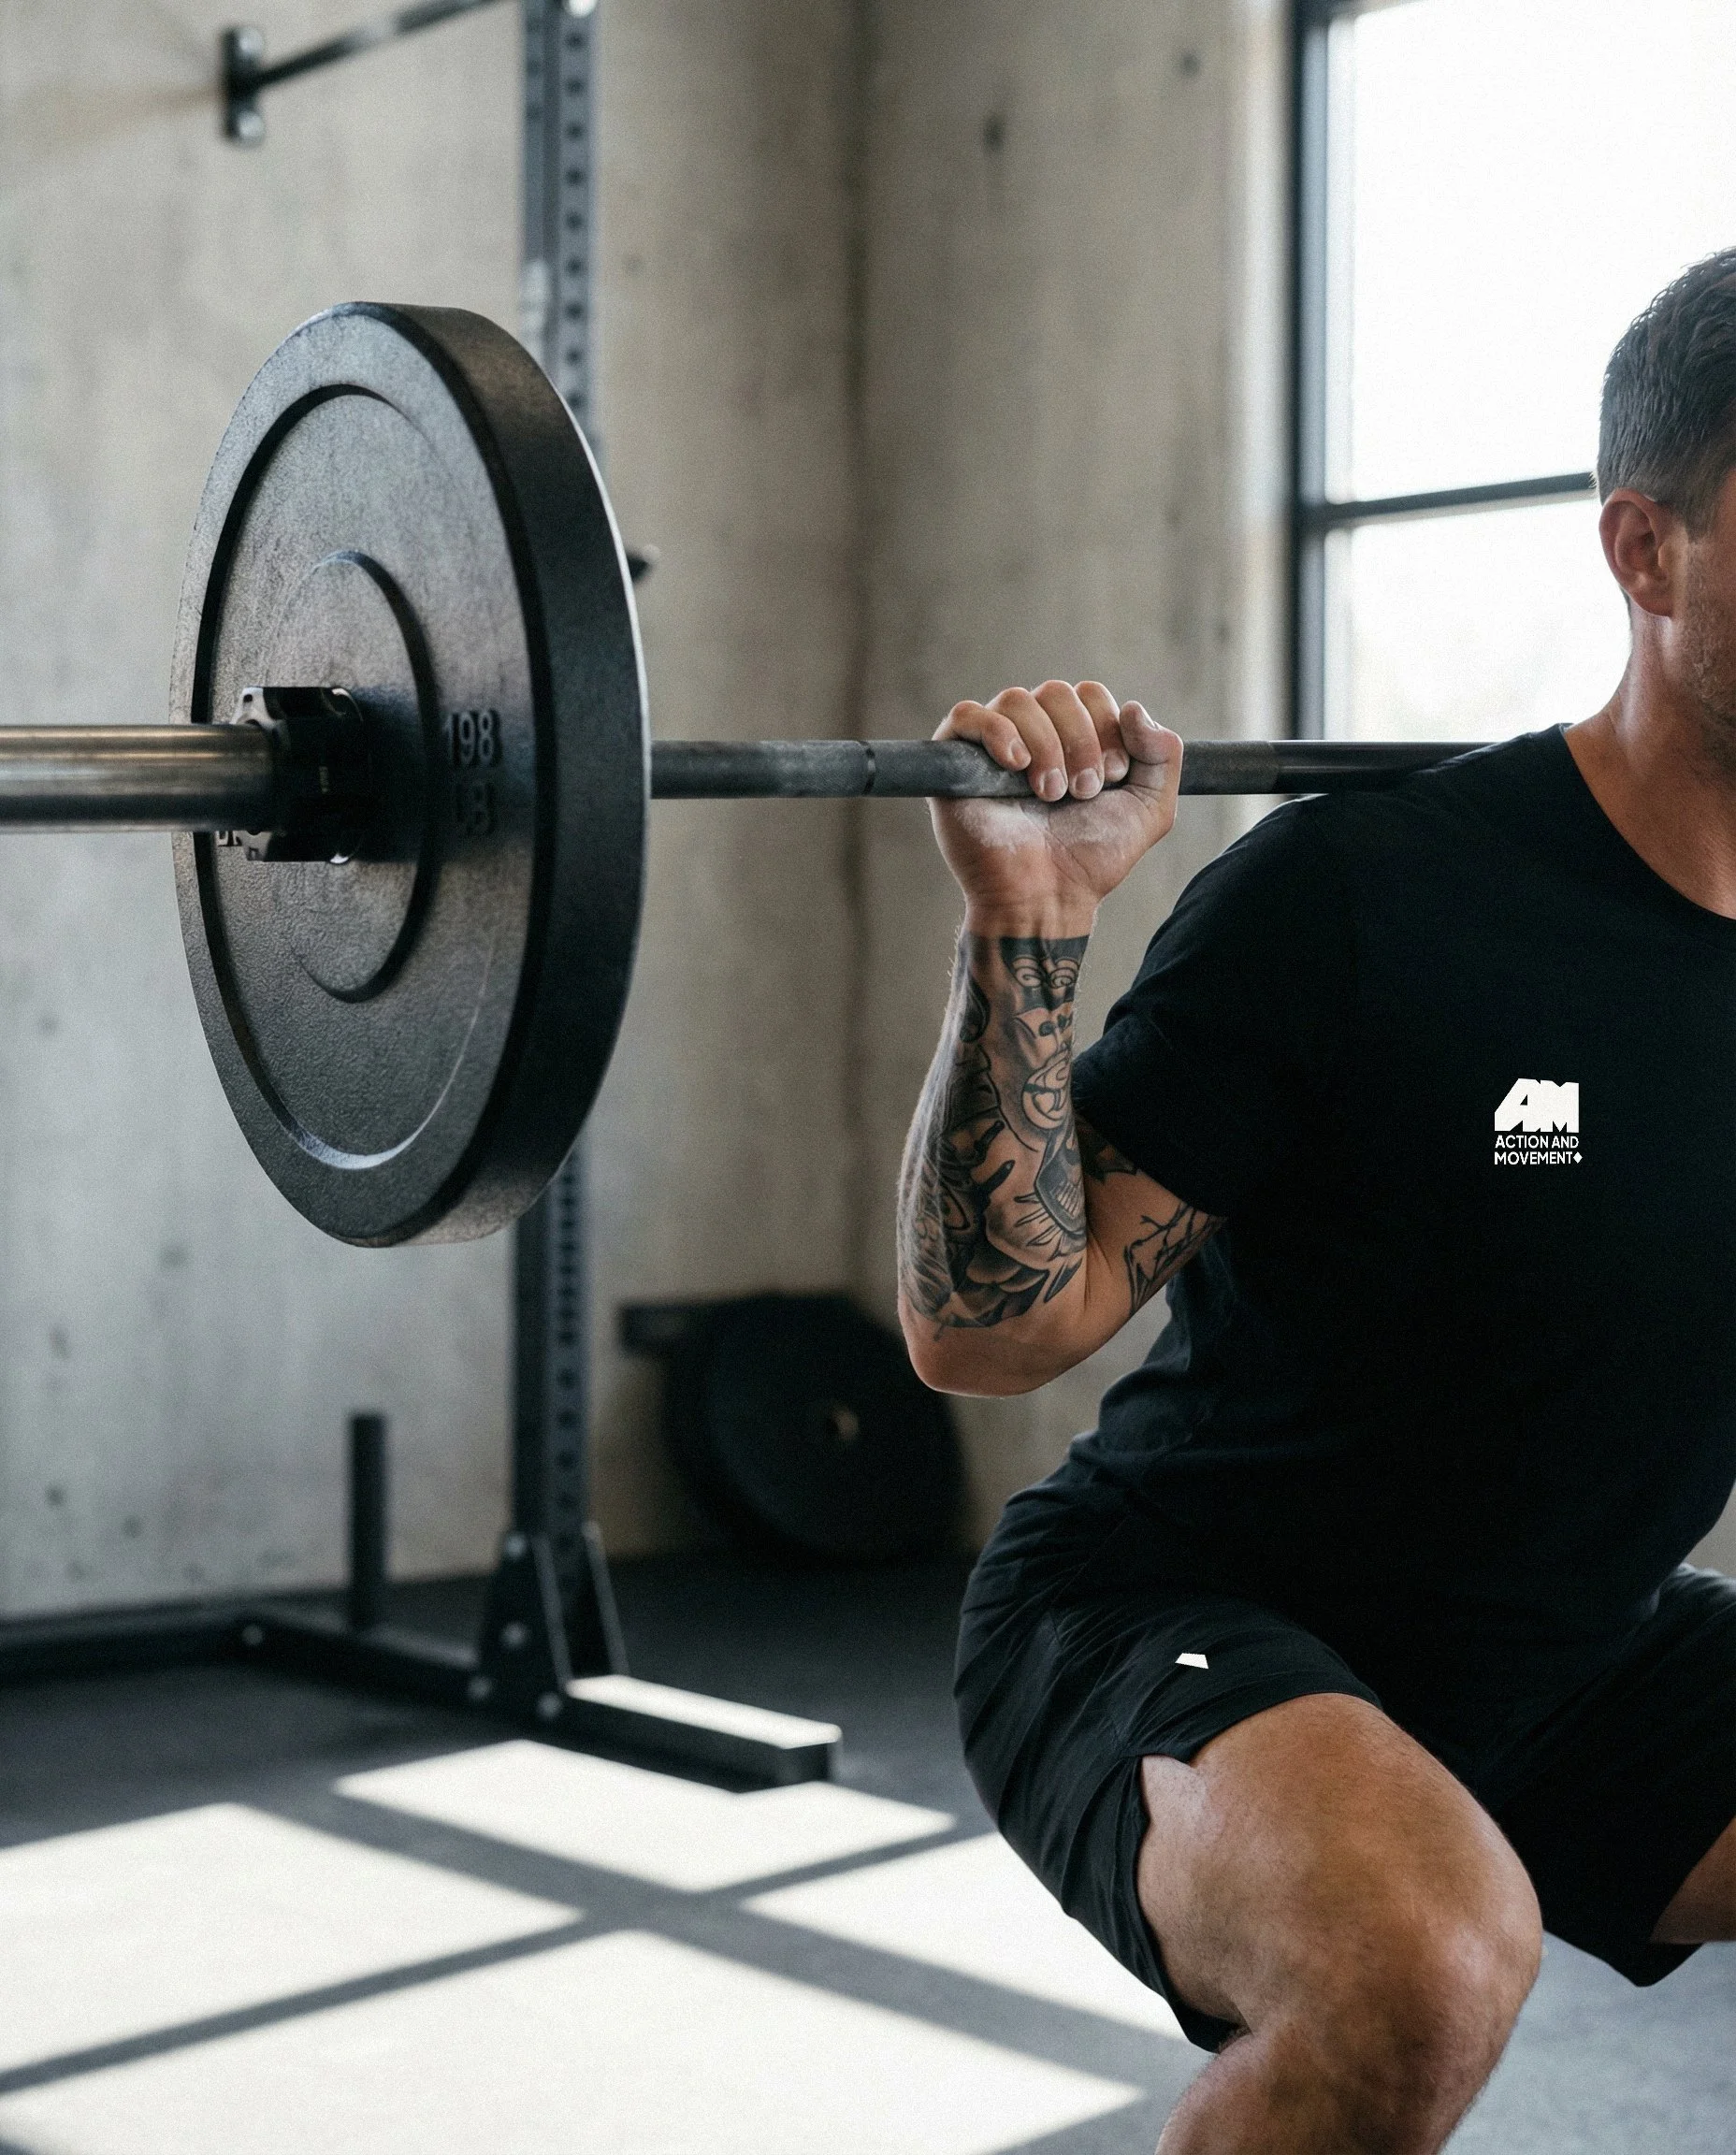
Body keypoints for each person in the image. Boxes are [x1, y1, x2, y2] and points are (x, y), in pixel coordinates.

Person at [897, 249, 1736, 2154]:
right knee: (1415, 1966)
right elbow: (990, 1326)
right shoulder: (1365, 900)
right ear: (1647, 552)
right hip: (1170, 1610)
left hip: (1576, 1642)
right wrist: (1028, 921)